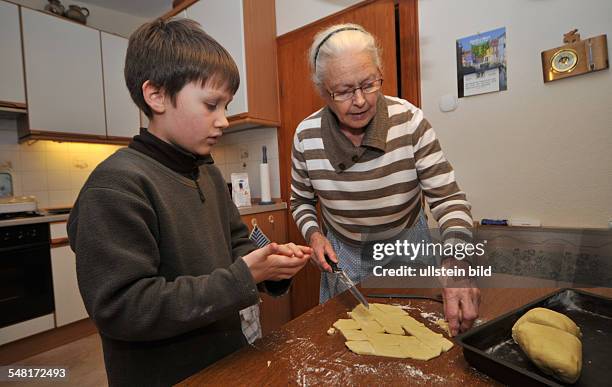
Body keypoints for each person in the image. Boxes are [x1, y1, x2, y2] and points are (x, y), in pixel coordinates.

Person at [67, 18, 311, 386]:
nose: (224, 120)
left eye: (226, 106)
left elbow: (236, 244)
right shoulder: (116, 186)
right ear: (157, 96)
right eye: (211, 104)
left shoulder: (206, 172)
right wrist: (243, 276)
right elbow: (124, 308)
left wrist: (269, 269)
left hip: (226, 359)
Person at [290, 24, 479, 336]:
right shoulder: (306, 136)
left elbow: (449, 199)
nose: (361, 100)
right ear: (324, 91)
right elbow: (300, 201)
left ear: (379, 73)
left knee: (420, 333)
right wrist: (314, 236)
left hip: (409, 245)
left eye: (369, 83)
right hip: (346, 256)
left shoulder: (410, 121)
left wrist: (457, 261)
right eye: (344, 91)